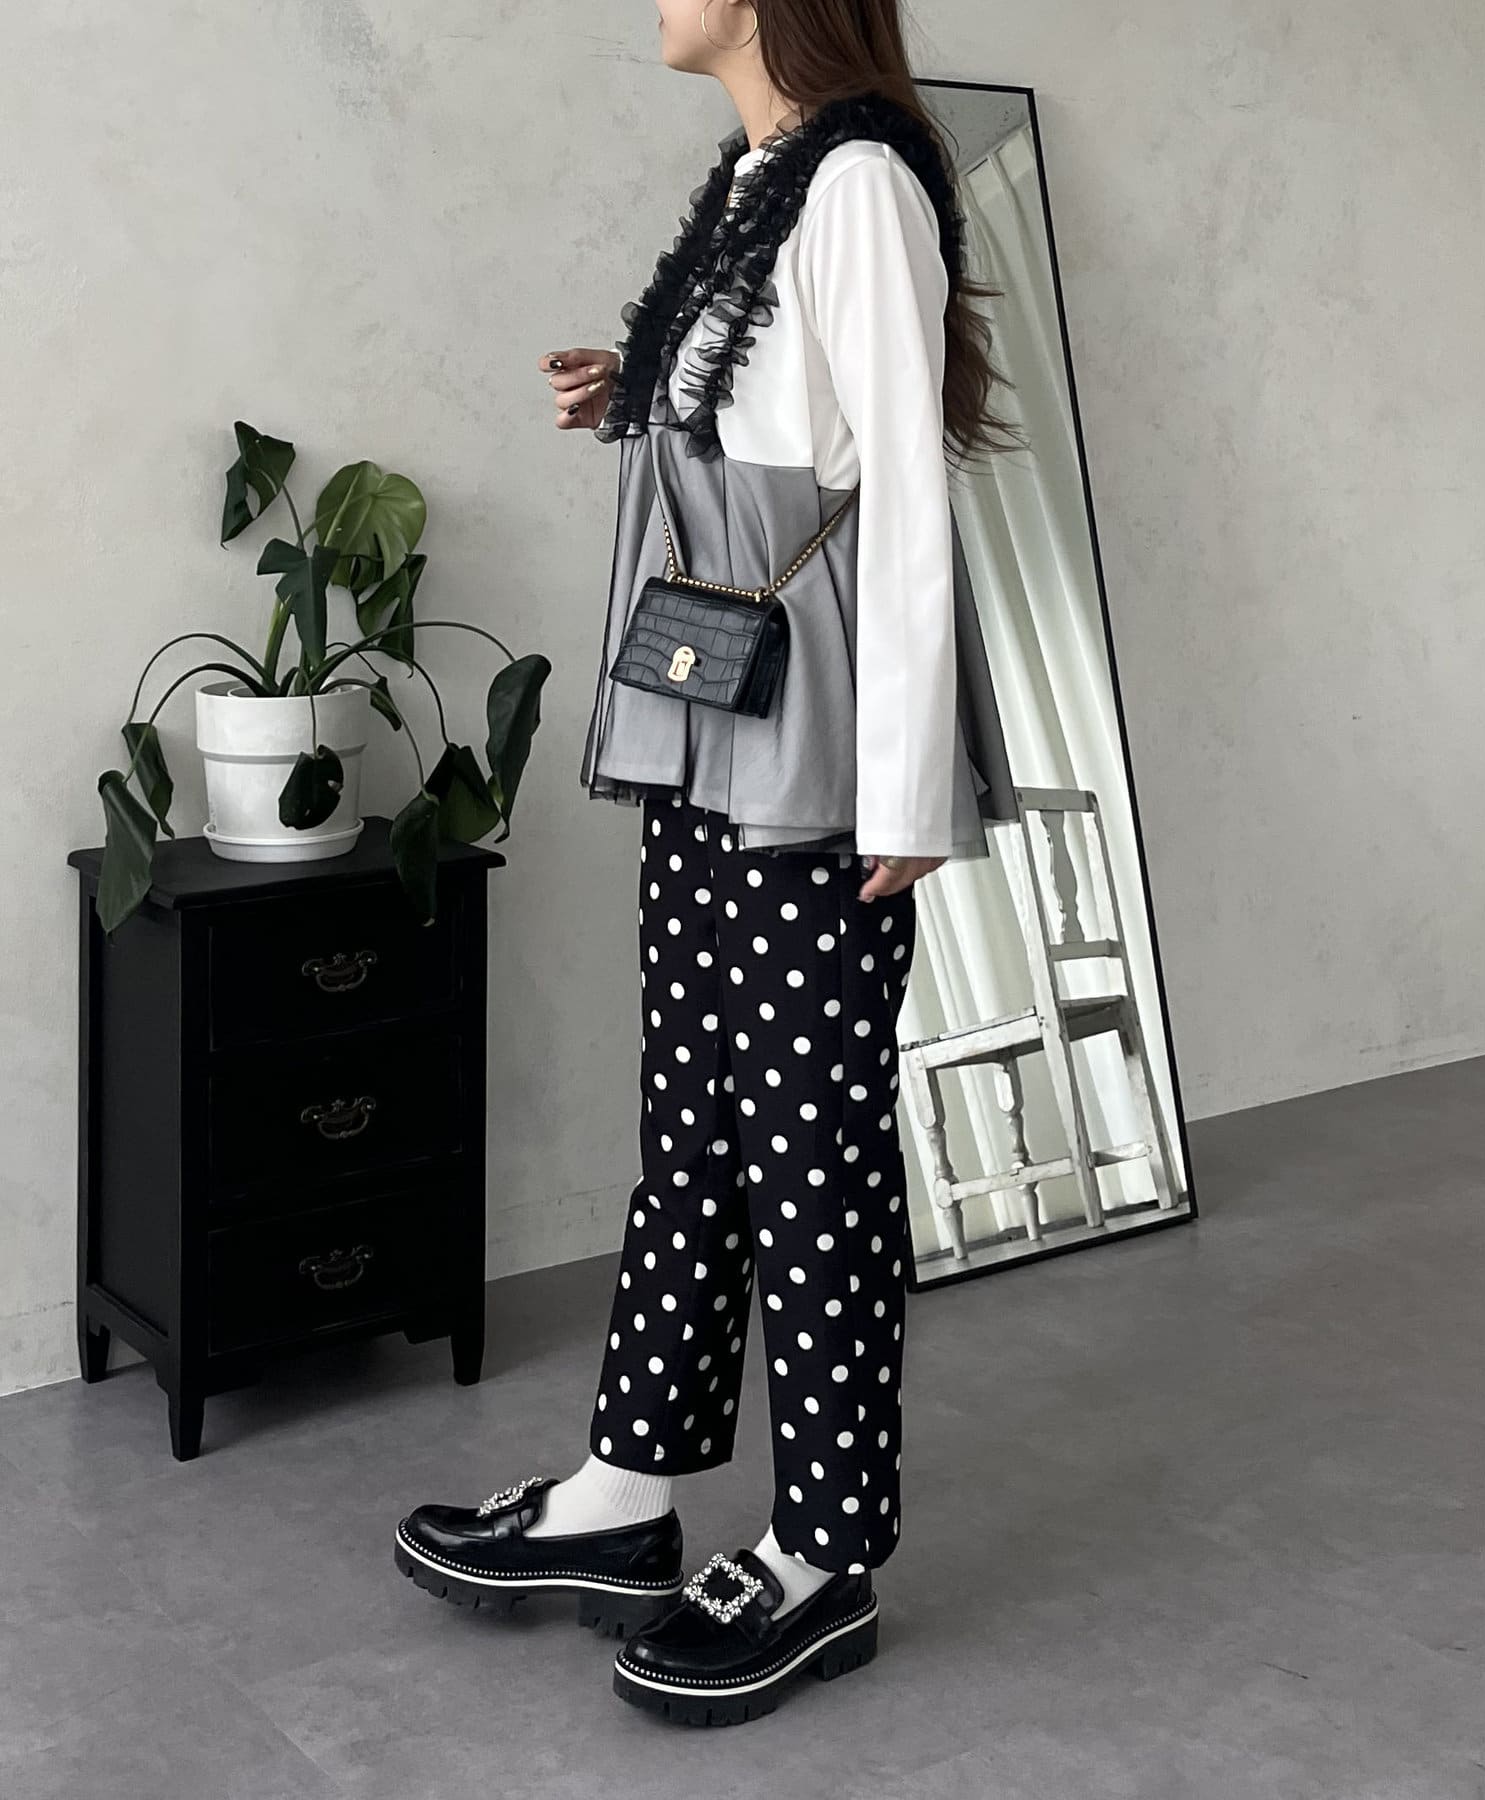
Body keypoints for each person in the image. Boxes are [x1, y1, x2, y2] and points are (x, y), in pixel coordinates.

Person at [394, 0, 1023, 1727]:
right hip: (714, 713)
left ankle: (825, 1551)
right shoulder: (756, 178)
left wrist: (908, 791)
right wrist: (640, 394)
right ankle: (628, 1489)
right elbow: (774, 421)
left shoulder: (860, 185)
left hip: (815, 740)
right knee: (694, 1113)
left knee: (809, 1146)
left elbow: (898, 488)